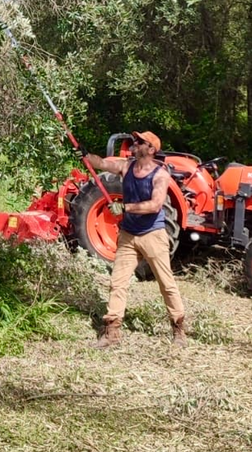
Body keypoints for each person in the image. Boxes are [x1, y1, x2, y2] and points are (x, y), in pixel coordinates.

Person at [75, 131, 187, 349]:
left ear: (151, 149)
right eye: (135, 141)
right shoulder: (126, 166)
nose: (134, 144)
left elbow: (155, 205)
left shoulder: (160, 175)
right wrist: (85, 154)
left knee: (167, 284)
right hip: (128, 235)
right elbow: (102, 164)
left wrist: (125, 207)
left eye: (139, 142)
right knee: (117, 283)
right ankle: (112, 332)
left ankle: (178, 330)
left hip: (152, 235)